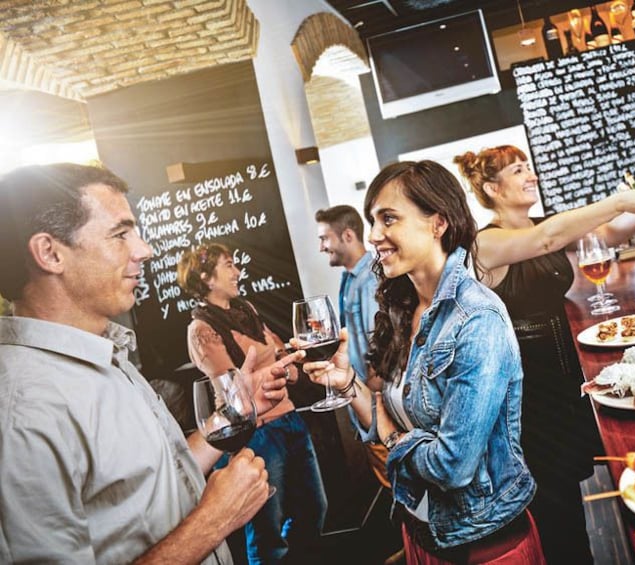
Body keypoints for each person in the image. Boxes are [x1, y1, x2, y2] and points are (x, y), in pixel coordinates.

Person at [0, 163, 298, 563]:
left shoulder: (104, 351)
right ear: (50, 253)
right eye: (121, 234)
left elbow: (157, 477)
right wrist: (213, 520)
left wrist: (234, 414)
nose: (145, 250)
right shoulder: (23, 408)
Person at [303, 160, 545, 564]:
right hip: (422, 529)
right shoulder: (403, 307)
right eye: (372, 221)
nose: (375, 235)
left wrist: (394, 440)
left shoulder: (476, 319)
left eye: (389, 219)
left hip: (482, 544)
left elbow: (453, 466)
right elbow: (386, 414)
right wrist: (347, 384)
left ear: (438, 223)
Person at [454, 145, 635, 564]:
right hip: (530, 393)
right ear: (491, 188)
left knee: (591, 475)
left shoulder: (539, 226)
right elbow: (547, 238)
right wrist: (619, 200)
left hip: (568, 376)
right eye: (519, 171)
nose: (531, 175)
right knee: (558, 509)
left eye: (528, 168)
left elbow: (608, 235)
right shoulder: (487, 243)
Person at [177, 243, 326, 564]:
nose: (237, 271)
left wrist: (299, 367)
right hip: (256, 434)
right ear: (206, 278)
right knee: (266, 532)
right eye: (229, 265)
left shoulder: (247, 311)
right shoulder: (200, 329)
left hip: (290, 420)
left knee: (314, 508)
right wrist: (276, 369)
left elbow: (278, 353)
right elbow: (232, 390)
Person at [315, 205, 405, 564]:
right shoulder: (348, 279)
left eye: (325, 238)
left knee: (401, 481)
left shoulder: (372, 279)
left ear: (347, 235)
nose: (322, 247)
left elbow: (381, 350)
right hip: (360, 403)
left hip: (377, 405)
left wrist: (373, 395)